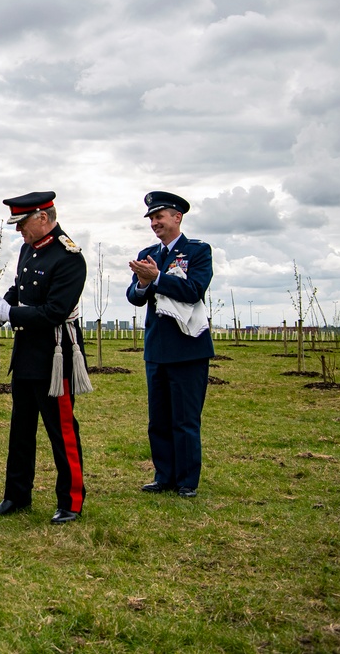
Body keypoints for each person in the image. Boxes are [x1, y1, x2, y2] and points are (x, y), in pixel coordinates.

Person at [0, 191, 91, 524]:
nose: (18, 231)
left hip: (56, 355)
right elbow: (19, 289)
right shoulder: (29, 248)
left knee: (61, 430)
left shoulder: (69, 256)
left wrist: (10, 313)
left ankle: (71, 500)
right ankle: (16, 495)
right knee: (20, 430)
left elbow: (54, 311)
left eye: (22, 223)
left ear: (42, 217)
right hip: (26, 355)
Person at [125, 191, 214, 498]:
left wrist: (158, 278)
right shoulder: (150, 253)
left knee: (185, 419)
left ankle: (187, 481)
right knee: (159, 420)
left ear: (177, 217)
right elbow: (135, 297)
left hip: (188, 350)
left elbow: (194, 290)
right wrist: (145, 282)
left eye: (159, 216)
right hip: (157, 350)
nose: (154, 223)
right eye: (151, 218)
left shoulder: (197, 252)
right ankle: (164, 476)